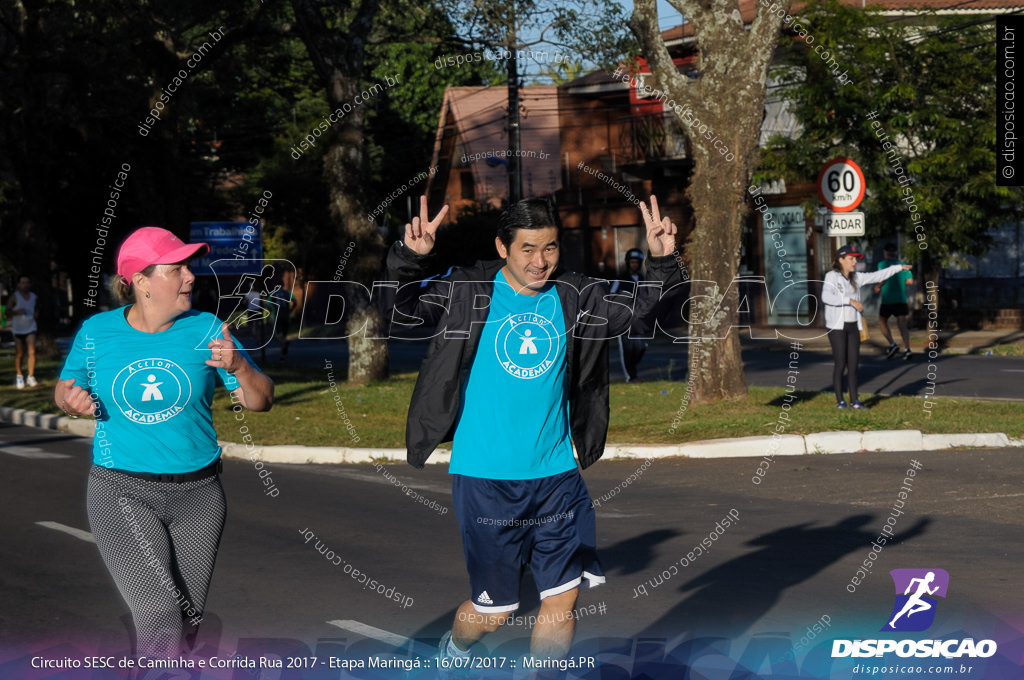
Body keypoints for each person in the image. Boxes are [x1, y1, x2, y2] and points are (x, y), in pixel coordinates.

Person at [387, 195, 682, 662]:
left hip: (556, 476)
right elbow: (399, 313)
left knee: (562, 598)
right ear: (502, 247)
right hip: (486, 476)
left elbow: (645, 314)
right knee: (496, 610)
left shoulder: (576, 295)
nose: (540, 261)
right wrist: (410, 258)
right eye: (527, 249)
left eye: (548, 248)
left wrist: (663, 259)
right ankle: (454, 651)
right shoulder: (467, 291)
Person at [54, 227, 273, 663]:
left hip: (199, 496)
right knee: (159, 615)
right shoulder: (98, 332)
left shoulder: (207, 328)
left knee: (187, 622)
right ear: (141, 281)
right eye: (177, 270)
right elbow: (64, 391)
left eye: (188, 267)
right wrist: (71, 404)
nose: (191, 277)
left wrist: (240, 367)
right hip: (121, 491)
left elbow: (261, 400)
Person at [822, 244, 912, 410]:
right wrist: (850, 301)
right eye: (851, 258)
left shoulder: (857, 277)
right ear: (840, 260)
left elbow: (878, 275)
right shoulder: (832, 276)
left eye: (855, 258)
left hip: (853, 326)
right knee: (841, 363)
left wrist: (898, 268)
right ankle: (840, 401)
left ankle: (855, 401)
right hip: (836, 327)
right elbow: (826, 297)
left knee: (854, 364)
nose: (854, 261)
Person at [610, 248, 648, 383]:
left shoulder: (643, 279)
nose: (634, 265)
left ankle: (633, 370)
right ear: (628, 263)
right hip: (624, 320)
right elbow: (611, 297)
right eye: (632, 262)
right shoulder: (620, 279)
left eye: (637, 262)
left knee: (641, 347)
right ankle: (631, 376)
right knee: (627, 349)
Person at [874, 243, 914, 360]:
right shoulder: (903, 265)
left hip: (887, 300)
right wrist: (901, 283)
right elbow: (910, 281)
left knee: (882, 322)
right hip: (901, 299)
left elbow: (883, 279)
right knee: (903, 326)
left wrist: (878, 286)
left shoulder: (882, 264)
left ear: (885, 254)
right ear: (896, 254)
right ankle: (907, 350)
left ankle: (892, 344)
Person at [10, 275, 39, 389]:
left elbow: (37, 308)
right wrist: (15, 312)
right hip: (18, 329)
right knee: (20, 353)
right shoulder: (14, 297)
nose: (25, 285)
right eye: (22, 282)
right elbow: (6, 312)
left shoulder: (34, 297)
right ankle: (19, 375)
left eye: (27, 282)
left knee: (32, 352)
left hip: (31, 327)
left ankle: (31, 376)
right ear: (18, 284)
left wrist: (37, 313)